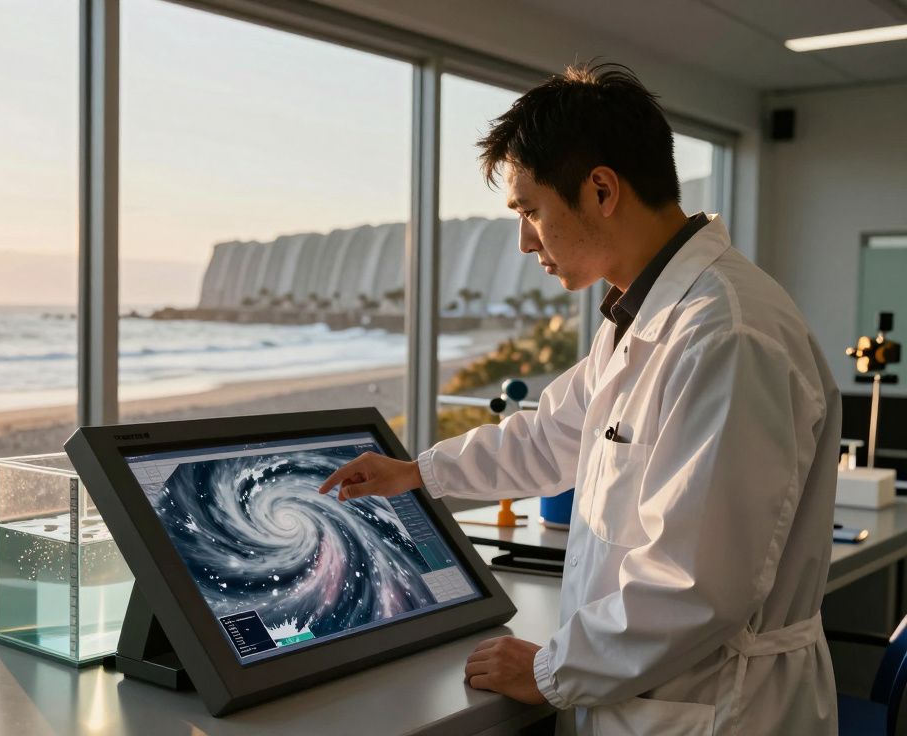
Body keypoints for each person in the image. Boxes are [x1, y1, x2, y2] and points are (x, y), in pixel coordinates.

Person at [319, 63, 840, 736]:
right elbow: (551, 436)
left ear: (600, 190)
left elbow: (695, 584)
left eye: (531, 211)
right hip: (650, 694)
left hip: (718, 709)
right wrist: (418, 473)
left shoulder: (726, 334)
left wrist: (548, 670)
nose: (524, 239)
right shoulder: (645, 316)